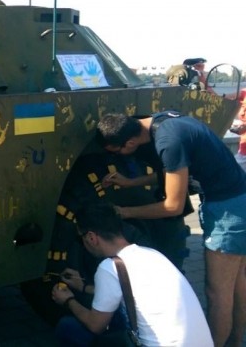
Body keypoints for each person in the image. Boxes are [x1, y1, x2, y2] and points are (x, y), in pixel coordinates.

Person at [96, 111, 246, 346]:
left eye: (117, 151)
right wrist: (131, 182)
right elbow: (174, 173)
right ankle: (235, 341)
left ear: (131, 143)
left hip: (228, 211)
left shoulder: (168, 142)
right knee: (236, 283)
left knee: (217, 293)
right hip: (237, 199)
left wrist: (125, 212)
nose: (118, 155)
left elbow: (172, 207)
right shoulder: (164, 120)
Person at [51, 199, 212, 346]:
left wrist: (68, 300)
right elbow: (128, 290)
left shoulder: (109, 267)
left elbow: (96, 326)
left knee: (68, 328)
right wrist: (83, 287)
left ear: (91, 237)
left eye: (81, 237)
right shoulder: (151, 254)